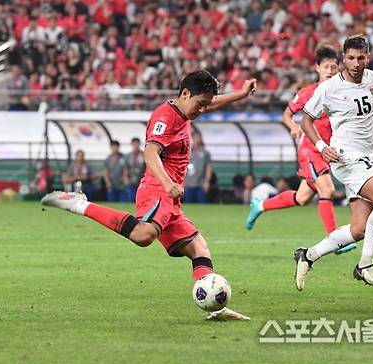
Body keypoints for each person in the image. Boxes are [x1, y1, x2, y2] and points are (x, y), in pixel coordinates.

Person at [41, 70, 257, 318]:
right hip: (157, 188)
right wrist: (167, 184)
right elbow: (150, 153)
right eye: (200, 104)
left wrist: (240, 95)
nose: (202, 110)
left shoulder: (186, 110)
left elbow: (209, 104)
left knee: (199, 248)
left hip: (171, 197)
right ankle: (79, 204)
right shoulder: (165, 117)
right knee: (144, 235)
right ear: (185, 94)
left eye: (205, 104)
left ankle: (214, 307)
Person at [293, 35, 373, 290]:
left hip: (369, 157)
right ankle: (365, 265)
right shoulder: (329, 88)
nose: (356, 63)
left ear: (367, 57)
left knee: (358, 230)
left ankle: (307, 255)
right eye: (350, 58)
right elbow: (306, 120)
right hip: (345, 156)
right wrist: (322, 147)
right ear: (343, 59)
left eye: (361, 58)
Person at [244, 44, 356, 254]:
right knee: (328, 190)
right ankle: (336, 241)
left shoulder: (341, 93)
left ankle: (260, 205)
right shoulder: (308, 93)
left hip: (327, 152)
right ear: (318, 68)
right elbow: (287, 114)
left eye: (334, 67)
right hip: (310, 150)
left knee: (302, 198)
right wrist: (294, 127)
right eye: (327, 67)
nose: (331, 71)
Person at [183, 131, 213, 203]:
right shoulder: (188, 152)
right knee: (188, 205)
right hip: (188, 184)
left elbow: (209, 168)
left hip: (201, 184)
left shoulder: (206, 153)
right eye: (195, 137)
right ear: (192, 138)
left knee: (202, 204)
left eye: (198, 137)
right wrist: (182, 182)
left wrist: (207, 182)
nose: (197, 139)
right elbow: (183, 166)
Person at [125, 137, 145, 202]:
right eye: (134, 144)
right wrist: (126, 178)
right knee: (131, 198)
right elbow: (126, 168)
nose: (136, 145)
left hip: (142, 180)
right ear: (132, 144)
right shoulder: (128, 156)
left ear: (139, 144)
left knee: (142, 199)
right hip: (131, 180)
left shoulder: (144, 155)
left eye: (137, 143)